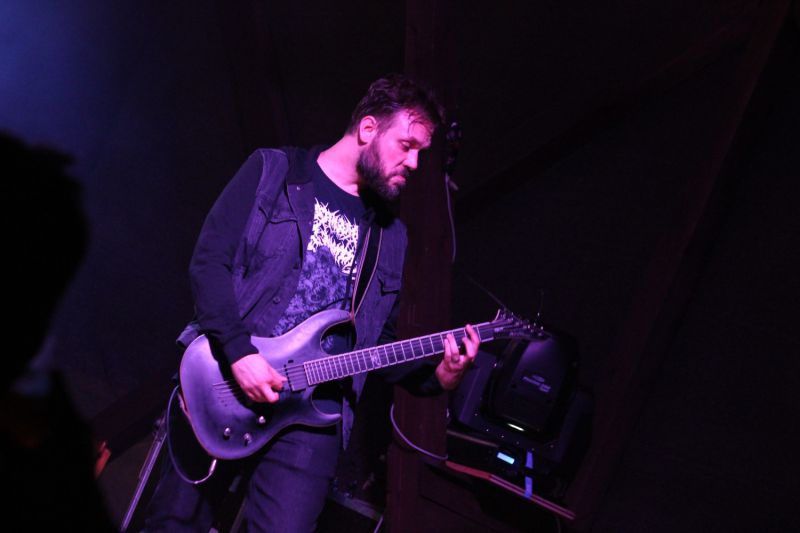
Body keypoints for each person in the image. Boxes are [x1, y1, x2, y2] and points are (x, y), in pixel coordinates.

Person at [144, 74, 479, 532]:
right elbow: (209, 263)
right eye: (406, 145)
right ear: (368, 129)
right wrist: (239, 353)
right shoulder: (274, 172)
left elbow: (377, 343)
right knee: (174, 524)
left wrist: (437, 377)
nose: (415, 163)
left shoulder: (391, 237)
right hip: (225, 379)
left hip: (312, 420)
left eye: (421, 151)